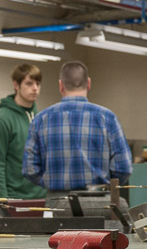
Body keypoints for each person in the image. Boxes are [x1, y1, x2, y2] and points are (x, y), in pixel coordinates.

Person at [23, 61, 132, 195]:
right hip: (99, 200)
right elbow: (124, 168)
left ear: (60, 85)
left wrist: (52, 182)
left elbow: (29, 169)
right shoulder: (107, 117)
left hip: (58, 203)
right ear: (89, 83)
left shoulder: (41, 119)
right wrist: (103, 186)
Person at [0, 64, 46, 200]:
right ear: (16, 85)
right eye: (29, 83)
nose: (35, 88)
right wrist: (3, 199)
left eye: (38, 83)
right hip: (15, 197)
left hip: (42, 197)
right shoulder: (4, 117)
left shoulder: (40, 118)